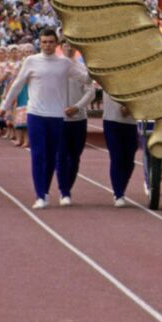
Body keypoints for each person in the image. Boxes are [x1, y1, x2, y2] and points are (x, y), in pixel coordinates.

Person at [0, 29, 89, 209]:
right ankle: (41, 195)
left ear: (56, 44)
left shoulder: (64, 63)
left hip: (57, 116)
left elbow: (84, 78)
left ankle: (56, 191)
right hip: (36, 114)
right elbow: (17, 85)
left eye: (50, 42)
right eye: (44, 42)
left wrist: (97, 65)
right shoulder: (31, 61)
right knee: (39, 155)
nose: (47, 45)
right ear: (39, 43)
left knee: (54, 156)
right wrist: (4, 107)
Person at [56, 39, 94, 206]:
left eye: (72, 45)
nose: (69, 48)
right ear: (61, 47)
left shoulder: (81, 69)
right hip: (59, 118)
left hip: (78, 119)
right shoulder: (55, 67)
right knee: (61, 156)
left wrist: (77, 107)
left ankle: (67, 186)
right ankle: (64, 191)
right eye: (66, 45)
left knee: (75, 157)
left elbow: (90, 92)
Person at [102, 91, 140, 206]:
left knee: (129, 162)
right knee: (116, 157)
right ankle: (118, 193)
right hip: (111, 120)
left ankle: (120, 188)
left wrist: (131, 108)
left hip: (130, 122)